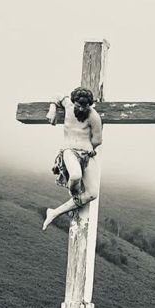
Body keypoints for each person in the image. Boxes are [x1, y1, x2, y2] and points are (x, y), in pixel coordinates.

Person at [42, 87, 102, 230]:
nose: (81, 109)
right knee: (75, 175)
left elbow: (98, 140)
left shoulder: (94, 117)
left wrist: (86, 148)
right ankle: (75, 199)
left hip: (86, 154)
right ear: (73, 102)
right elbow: (56, 94)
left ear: (90, 104)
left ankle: (55, 212)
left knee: (93, 193)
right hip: (69, 151)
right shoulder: (68, 106)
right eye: (78, 105)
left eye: (85, 106)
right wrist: (52, 109)